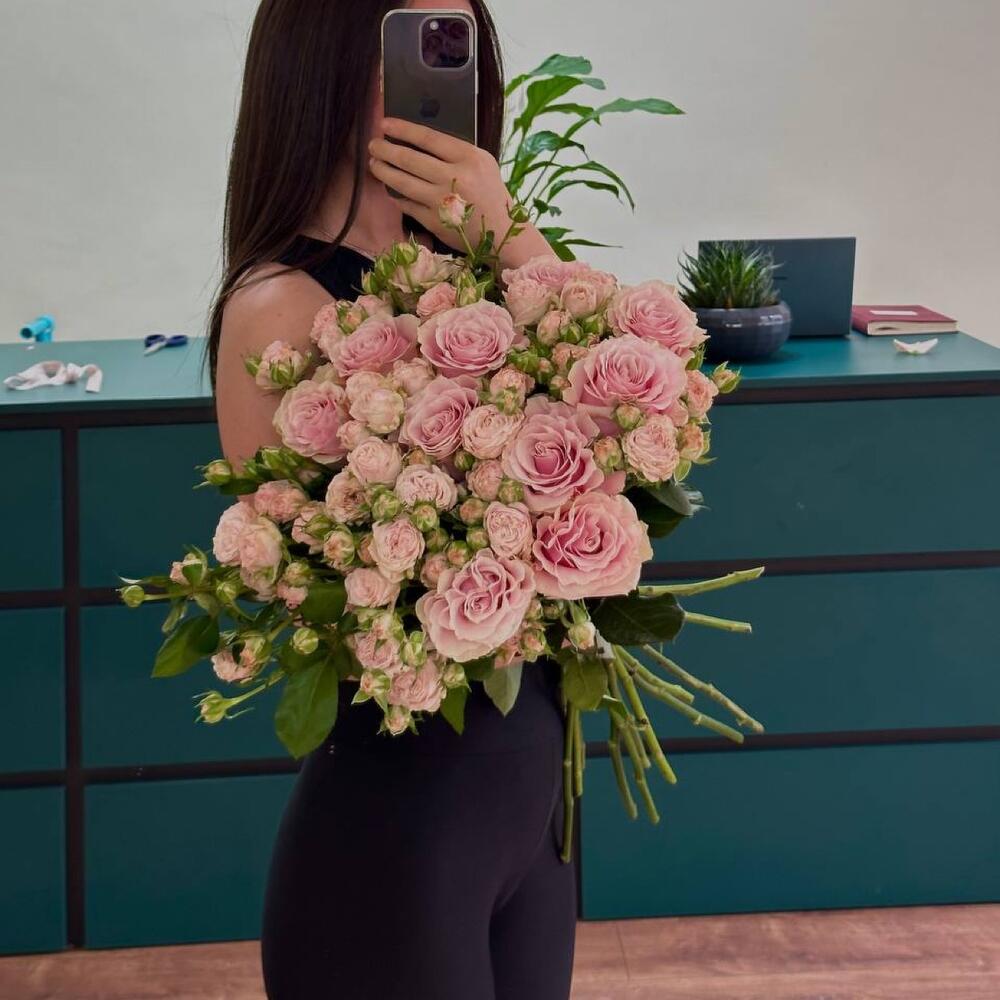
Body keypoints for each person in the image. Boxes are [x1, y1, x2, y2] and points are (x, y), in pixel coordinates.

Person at [203, 2, 577, 997]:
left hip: (527, 821)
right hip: (396, 840)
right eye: (410, 45)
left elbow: (638, 436)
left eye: (457, 43)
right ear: (320, 64)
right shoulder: (282, 305)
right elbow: (328, 602)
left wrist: (510, 240)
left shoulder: (482, 275)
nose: (441, 69)